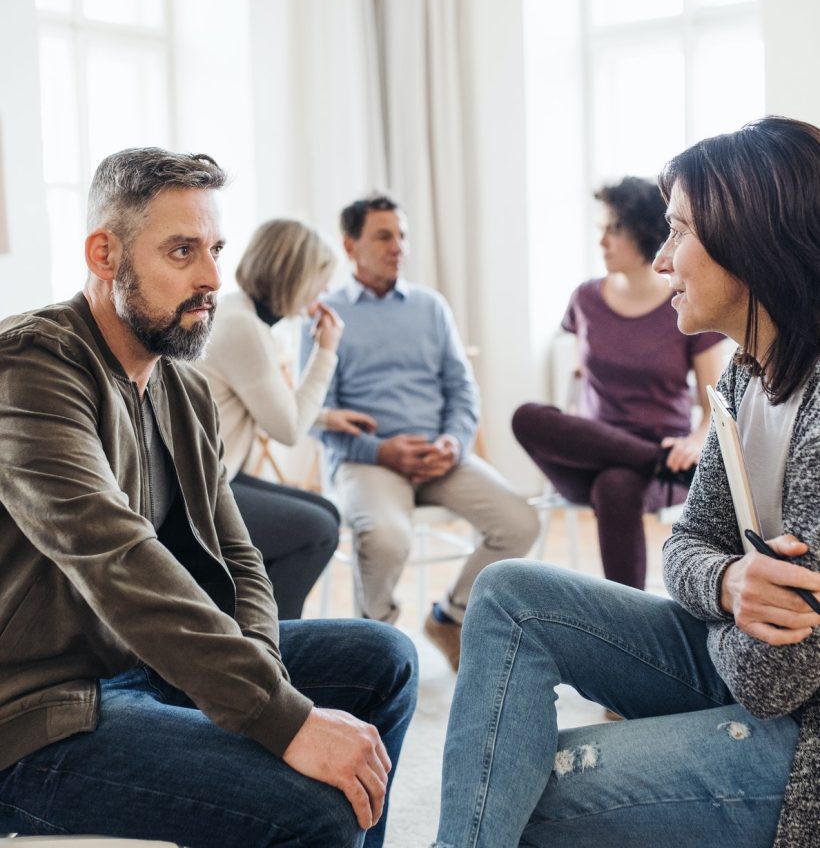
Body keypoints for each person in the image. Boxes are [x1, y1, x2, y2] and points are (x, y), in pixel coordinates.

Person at [0, 147, 417, 848]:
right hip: (43, 713)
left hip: (147, 670)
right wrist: (277, 718)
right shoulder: (30, 369)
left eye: (216, 249)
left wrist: (267, 681)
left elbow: (240, 556)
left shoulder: (181, 386)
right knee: (314, 811)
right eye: (182, 251)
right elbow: (116, 557)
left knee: (384, 659)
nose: (212, 279)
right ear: (105, 255)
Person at [431, 116, 820, 848]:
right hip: (738, 661)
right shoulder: (745, 376)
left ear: (750, 242)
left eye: (679, 232)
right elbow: (686, 549)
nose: (663, 258)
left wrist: (718, 593)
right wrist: (730, 584)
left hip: (803, 737)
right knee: (509, 592)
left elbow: (774, 683)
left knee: (530, 793)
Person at [310, 193, 539, 670]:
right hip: (369, 460)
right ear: (350, 246)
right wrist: (380, 450)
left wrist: (453, 442)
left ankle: (449, 617)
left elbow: (463, 389)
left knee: (520, 522)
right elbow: (316, 412)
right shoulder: (325, 313)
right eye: (384, 236)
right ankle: (375, 649)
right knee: (388, 538)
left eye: (403, 236)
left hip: (440, 456)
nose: (399, 247)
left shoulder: (430, 307)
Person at [512, 176, 725, 589]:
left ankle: (626, 619)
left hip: (664, 457)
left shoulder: (685, 305)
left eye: (613, 229)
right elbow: (579, 383)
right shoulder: (585, 299)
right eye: (601, 231)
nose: (603, 242)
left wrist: (695, 442)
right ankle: (652, 460)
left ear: (644, 232)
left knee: (617, 483)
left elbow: (714, 404)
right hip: (595, 448)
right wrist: (574, 429)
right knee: (527, 416)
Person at [197, 217, 376, 618]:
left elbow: (268, 406)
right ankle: (276, 642)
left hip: (217, 474)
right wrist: (326, 350)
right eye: (320, 278)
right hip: (199, 491)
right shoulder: (244, 327)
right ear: (294, 275)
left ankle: (255, 622)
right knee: (316, 531)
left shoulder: (238, 312)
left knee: (327, 513)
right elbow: (289, 429)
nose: (325, 290)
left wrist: (327, 418)